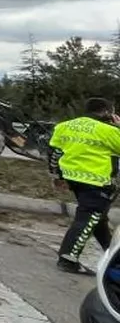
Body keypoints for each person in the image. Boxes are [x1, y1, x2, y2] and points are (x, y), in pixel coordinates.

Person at [48, 96, 120, 275]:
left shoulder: (65, 126)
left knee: (98, 219)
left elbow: (54, 151)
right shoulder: (108, 130)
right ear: (106, 112)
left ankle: (114, 258)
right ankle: (68, 259)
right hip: (97, 182)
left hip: (74, 179)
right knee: (87, 218)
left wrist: (56, 175)